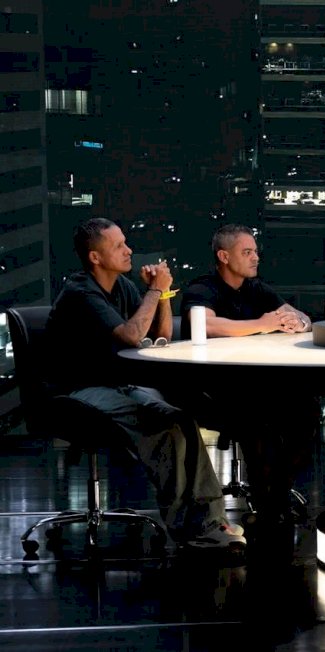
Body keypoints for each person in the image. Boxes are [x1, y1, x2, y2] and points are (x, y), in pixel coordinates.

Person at [45, 218, 245, 550]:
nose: (129, 250)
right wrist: (153, 290)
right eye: (119, 246)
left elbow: (157, 335)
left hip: (116, 385)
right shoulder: (81, 292)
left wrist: (162, 295)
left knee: (182, 420)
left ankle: (210, 520)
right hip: (76, 392)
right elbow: (130, 334)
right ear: (95, 257)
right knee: (163, 429)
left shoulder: (121, 286)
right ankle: (189, 530)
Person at [180, 224, 320, 548]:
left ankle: (276, 499)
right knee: (257, 423)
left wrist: (297, 322)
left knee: (307, 410)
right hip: (211, 389)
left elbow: (297, 315)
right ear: (223, 256)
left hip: (254, 385)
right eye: (247, 252)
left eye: (255, 251)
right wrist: (262, 324)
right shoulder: (202, 288)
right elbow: (206, 323)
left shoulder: (256, 288)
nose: (255, 257)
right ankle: (270, 508)